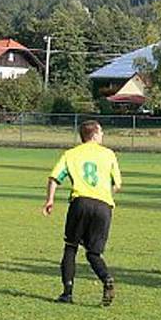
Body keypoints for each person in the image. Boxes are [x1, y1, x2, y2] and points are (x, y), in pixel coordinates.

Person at [42, 120, 122, 306]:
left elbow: (54, 178)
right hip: (103, 206)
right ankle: (106, 278)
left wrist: (50, 200)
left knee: (71, 247)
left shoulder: (71, 154)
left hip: (80, 203)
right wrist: (105, 194)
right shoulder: (109, 154)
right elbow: (117, 184)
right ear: (94, 135)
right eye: (101, 132)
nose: (103, 135)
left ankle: (67, 293)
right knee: (93, 253)